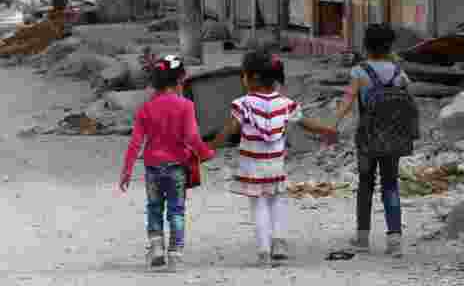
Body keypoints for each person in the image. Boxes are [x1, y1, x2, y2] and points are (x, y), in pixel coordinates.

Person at [208, 50, 337, 266]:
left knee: (258, 206)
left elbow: (229, 131)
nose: (242, 79)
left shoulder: (243, 104)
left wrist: (208, 148)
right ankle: (278, 243)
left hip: (252, 167)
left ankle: (263, 252)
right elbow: (306, 123)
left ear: (254, 77)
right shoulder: (286, 104)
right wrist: (326, 130)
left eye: (244, 75)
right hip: (276, 165)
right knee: (277, 202)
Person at [119, 55, 214, 271]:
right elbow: (191, 137)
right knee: (176, 211)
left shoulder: (146, 108)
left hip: (152, 167)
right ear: (180, 80)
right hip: (177, 168)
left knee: (154, 208)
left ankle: (157, 249)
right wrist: (205, 153)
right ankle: (176, 256)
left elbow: (135, 143)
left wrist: (127, 170)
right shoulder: (186, 106)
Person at [336, 23, 414, 257]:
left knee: (365, 185)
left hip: (367, 139)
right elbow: (407, 103)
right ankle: (395, 240)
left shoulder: (359, 72)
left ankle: (362, 238)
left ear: (366, 46)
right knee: (390, 185)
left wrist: (332, 124)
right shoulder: (399, 72)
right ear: (390, 46)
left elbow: (348, 101)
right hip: (393, 138)